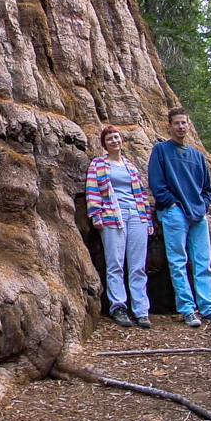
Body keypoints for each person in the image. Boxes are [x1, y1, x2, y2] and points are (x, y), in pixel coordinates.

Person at [148, 107, 211, 327]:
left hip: (198, 215)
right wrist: (172, 205)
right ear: (169, 126)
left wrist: (202, 206)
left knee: (203, 262)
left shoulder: (196, 156)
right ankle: (187, 309)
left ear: (189, 125)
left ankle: (208, 308)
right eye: (177, 123)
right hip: (175, 214)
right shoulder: (161, 151)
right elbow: (156, 183)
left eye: (184, 123)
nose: (181, 127)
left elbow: (207, 188)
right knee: (178, 262)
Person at [86, 126, 154, 328]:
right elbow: (92, 189)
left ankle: (141, 310)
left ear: (121, 140)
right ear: (104, 144)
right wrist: (95, 214)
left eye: (116, 137)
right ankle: (119, 307)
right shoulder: (98, 164)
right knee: (115, 262)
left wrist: (148, 219)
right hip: (112, 215)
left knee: (138, 265)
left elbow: (141, 194)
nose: (114, 141)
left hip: (137, 216)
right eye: (109, 139)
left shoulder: (131, 167)